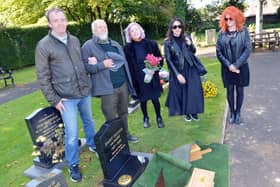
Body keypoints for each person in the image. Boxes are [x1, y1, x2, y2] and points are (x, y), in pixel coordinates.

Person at [35, 8, 96, 182]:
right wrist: (53, 99)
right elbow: (42, 76)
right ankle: (73, 164)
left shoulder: (74, 40)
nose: (60, 23)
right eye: (56, 20)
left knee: (89, 122)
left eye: (62, 19)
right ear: (49, 24)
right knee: (72, 133)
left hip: (83, 92)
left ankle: (92, 145)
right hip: (66, 98)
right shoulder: (43, 45)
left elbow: (80, 64)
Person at [81, 19, 139, 143]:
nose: (103, 29)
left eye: (104, 26)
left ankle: (126, 134)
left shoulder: (115, 44)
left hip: (122, 84)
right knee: (111, 116)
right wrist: (102, 64)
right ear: (94, 30)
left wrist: (128, 83)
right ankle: (115, 140)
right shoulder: (88, 46)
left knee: (123, 112)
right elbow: (85, 68)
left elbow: (124, 63)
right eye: (99, 27)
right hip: (107, 88)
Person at [164, 17, 206, 122]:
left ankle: (194, 111)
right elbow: (168, 60)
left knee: (194, 90)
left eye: (179, 26)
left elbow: (193, 51)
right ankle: (186, 112)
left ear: (182, 28)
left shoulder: (186, 37)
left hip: (190, 67)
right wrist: (177, 74)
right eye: (175, 27)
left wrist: (190, 44)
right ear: (171, 29)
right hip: (179, 69)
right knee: (183, 91)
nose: (177, 29)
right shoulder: (168, 42)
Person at [123, 22, 164, 128]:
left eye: (136, 29)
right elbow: (127, 65)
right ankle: (145, 118)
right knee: (143, 100)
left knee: (155, 99)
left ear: (141, 31)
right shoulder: (127, 48)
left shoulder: (151, 44)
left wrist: (155, 69)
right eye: (132, 31)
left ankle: (159, 117)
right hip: (138, 78)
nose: (135, 32)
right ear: (129, 34)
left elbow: (160, 59)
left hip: (151, 76)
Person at [216, 6, 251, 125]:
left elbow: (247, 49)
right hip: (227, 68)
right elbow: (219, 51)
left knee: (240, 90)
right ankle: (232, 112)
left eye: (231, 19)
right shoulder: (221, 33)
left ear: (236, 18)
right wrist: (229, 65)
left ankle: (238, 113)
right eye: (226, 19)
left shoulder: (243, 31)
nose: (228, 21)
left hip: (241, 67)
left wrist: (236, 65)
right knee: (230, 91)